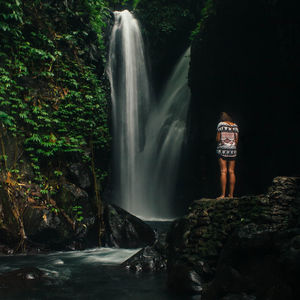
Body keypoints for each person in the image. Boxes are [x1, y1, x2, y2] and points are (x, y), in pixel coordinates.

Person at [216, 112, 239, 199]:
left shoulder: (221, 125)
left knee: (223, 171)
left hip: (222, 150)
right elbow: (236, 141)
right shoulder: (235, 126)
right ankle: (231, 195)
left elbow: (218, 139)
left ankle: (223, 195)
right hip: (232, 150)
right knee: (232, 171)